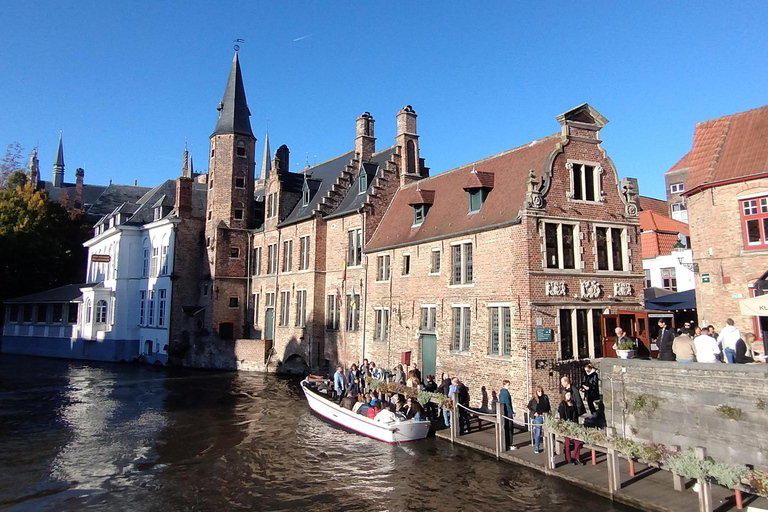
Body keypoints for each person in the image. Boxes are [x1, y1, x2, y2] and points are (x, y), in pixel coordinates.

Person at [558, 390, 583, 465]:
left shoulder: (573, 403)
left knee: (577, 441)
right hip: (567, 426)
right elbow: (562, 416)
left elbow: (576, 414)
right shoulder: (562, 405)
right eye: (567, 395)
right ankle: (568, 458)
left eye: (569, 395)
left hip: (574, 425)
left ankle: (576, 457)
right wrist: (564, 424)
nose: (569, 396)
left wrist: (576, 424)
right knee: (567, 442)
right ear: (564, 396)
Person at [527, 386, 551, 453]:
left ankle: (548, 446)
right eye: (539, 391)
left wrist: (549, 410)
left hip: (545, 415)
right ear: (536, 392)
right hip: (538, 416)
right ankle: (536, 447)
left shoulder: (545, 397)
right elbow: (529, 406)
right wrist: (534, 413)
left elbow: (548, 405)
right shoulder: (534, 399)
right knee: (538, 431)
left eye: (541, 391)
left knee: (548, 430)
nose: (540, 393)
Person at [498, 380, 515, 450]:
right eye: (508, 385)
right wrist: (511, 412)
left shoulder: (501, 393)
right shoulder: (505, 393)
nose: (509, 387)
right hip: (508, 413)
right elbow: (507, 404)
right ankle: (510, 444)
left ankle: (506, 444)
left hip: (503, 413)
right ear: (505, 385)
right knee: (510, 429)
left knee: (506, 429)